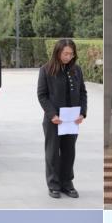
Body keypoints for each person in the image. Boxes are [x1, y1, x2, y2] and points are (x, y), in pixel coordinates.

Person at [38, 39, 87, 199]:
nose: (68, 57)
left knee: (69, 152)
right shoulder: (46, 70)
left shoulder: (76, 70)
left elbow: (82, 92)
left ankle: (67, 183)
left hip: (72, 120)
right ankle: (53, 184)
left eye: (71, 54)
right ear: (58, 52)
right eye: (65, 53)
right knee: (52, 152)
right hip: (54, 119)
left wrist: (82, 113)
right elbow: (42, 95)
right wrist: (52, 114)